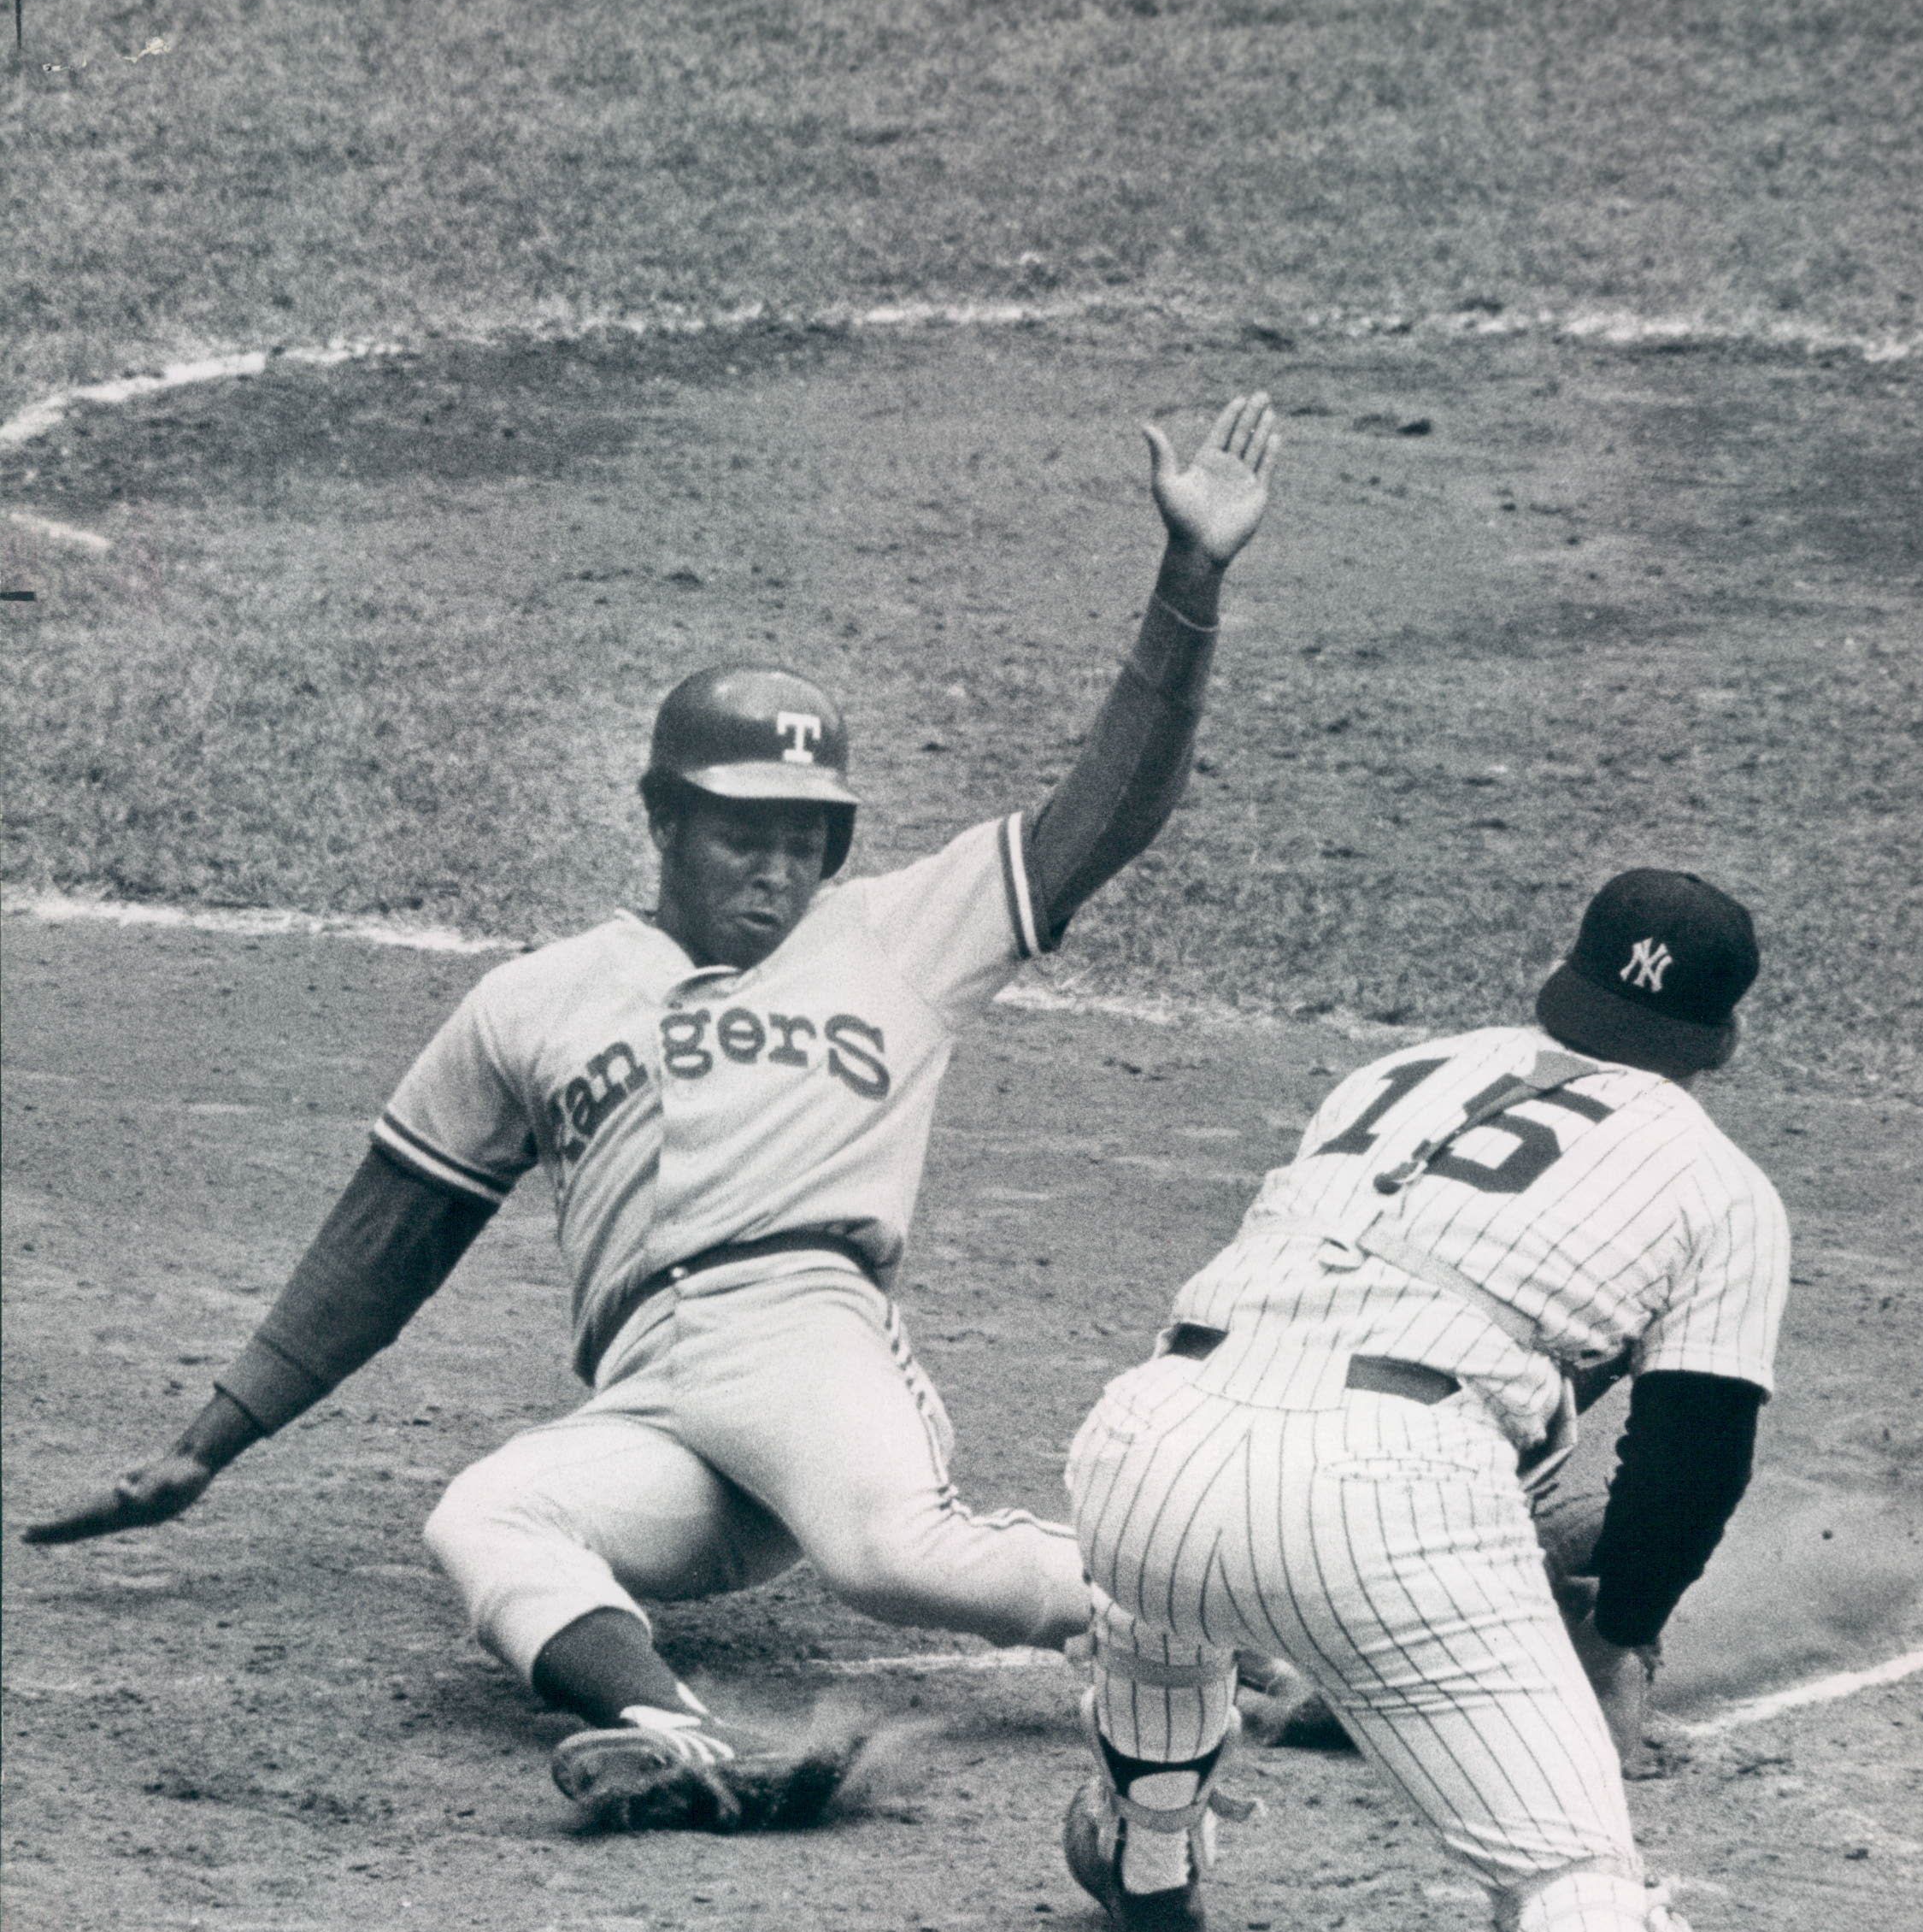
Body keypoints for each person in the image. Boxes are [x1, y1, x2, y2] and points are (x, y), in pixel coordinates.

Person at [25, 392, 1281, 1834]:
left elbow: (1106, 813)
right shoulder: (533, 999)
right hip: (653, 1395)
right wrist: (211, 1438)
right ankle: (678, 1735)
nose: (778, 867)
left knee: (889, 1559)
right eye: (746, 829)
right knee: (487, 1513)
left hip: (809, 1335)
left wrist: (1190, 587)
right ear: (665, 820)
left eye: (807, 835)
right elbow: (391, 1235)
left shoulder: (897, 935)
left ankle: (1237, 1630)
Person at [1059, 869, 1793, 1932]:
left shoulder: (1397, 1071)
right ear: (1718, 1042)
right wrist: (1620, 1637)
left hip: (1145, 1437)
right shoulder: (1720, 1183)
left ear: (1562, 983)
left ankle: (1154, 1847)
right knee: (1574, 1869)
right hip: (1386, 1493)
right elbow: (1694, 1455)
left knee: (1163, 1598)